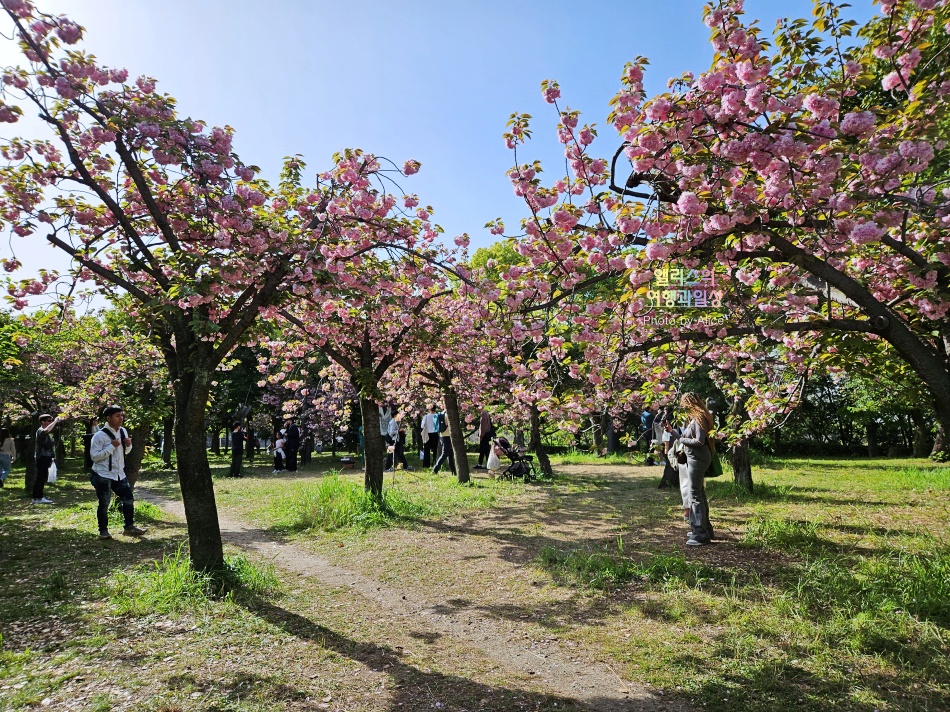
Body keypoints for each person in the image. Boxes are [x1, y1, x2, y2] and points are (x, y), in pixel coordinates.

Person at [664, 392, 715, 546]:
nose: (682, 408)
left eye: (683, 404)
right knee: (699, 493)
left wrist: (681, 439)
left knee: (695, 494)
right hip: (696, 458)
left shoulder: (698, 418)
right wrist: (672, 431)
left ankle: (700, 534)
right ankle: (705, 529)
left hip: (697, 458)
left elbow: (699, 441)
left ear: (689, 404)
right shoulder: (698, 417)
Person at [89, 405, 145, 539]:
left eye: (122, 415)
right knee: (104, 503)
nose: (121, 418)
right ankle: (103, 531)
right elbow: (94, 457)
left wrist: (128, 445)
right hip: (103, 474)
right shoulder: (99, 436)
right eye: (117, 416)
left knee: (128, 499)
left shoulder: (123, 431)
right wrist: (111, 446)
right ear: (108, 418)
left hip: (119, 473)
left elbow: (125, 452)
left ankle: (129, 527)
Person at [32, 414, 60, 504]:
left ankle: (38, 497)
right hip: (42, 457)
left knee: (42, 478)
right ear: (43, 422)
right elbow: (47, 430)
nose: (50, 422)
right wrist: (55, 421)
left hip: (46, 458)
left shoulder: (46, 433)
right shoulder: (40, 431)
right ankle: (37, 497)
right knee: (40, 478)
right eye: (49, 420)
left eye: (51, 420)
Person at [431, 407, 454, 475]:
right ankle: (435, 469)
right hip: (447, 436)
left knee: (450, 454)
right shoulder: (448, 415)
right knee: (445, 454)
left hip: (442, 435)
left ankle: (454, 471)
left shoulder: (441, 413)